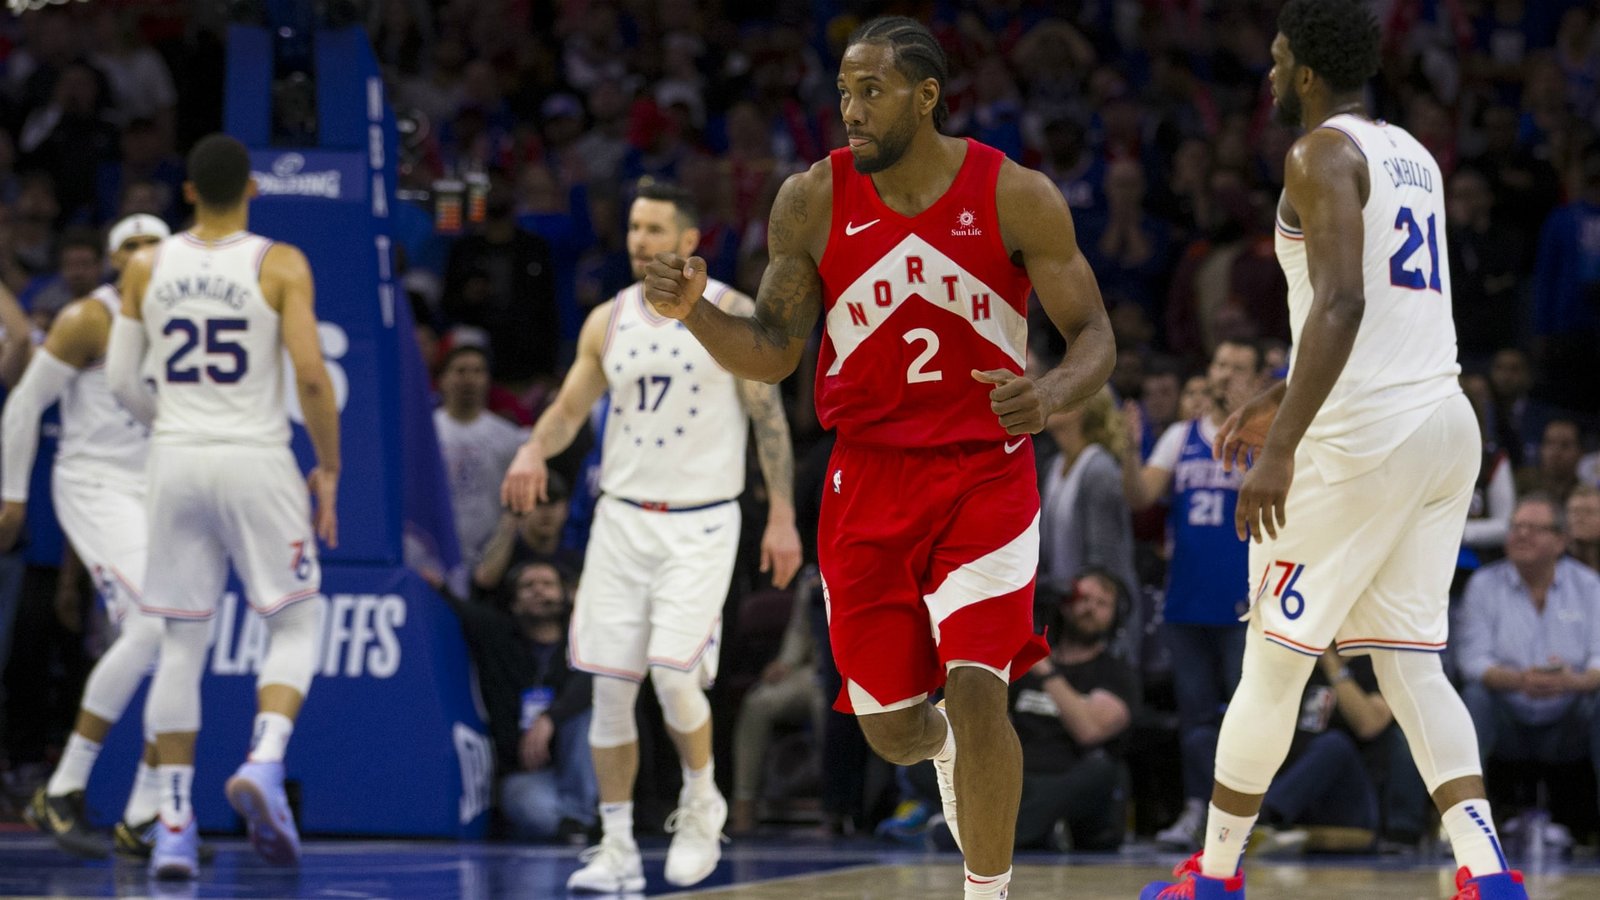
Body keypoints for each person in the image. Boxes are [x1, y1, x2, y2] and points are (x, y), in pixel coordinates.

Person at [638, 17, 1114, 899]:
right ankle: (937, 754)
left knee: (980, 688)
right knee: (895, 728)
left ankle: (988, 889)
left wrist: (1047, 395)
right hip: (866, 477)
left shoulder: (1015, 194)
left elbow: (1094, 335)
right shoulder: (810, 199)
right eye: (845, 91)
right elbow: (777, 350)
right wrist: (697, 314)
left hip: (985, 470)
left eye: (872, 91)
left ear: (926, 97)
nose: (850, 109)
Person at [1142, 3, 1527, 897]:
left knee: (1274, 660)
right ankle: (1487, 872)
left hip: (1366, 440)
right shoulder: (1413, 154)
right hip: (1442, 420)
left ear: (1308, 70)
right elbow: (1386, 313)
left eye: (1277, 59)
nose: (1270, 77)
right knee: (1407, 660)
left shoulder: (1317, 154)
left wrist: (1280, 447)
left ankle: (1216, 875)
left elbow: (1346, 305)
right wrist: (1278, 391)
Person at [500, 179, 802, 892]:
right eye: (634, 228)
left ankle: (702, 803)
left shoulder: (730, 311)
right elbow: (571, 407)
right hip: (621, 520)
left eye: (656, 229)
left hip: (701, 523)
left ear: (689, 242)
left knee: (672, 677)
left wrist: (784, 515)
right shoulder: (607, 320)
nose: (641, 240)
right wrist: (531, 450)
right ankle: (615, 846)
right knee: (609, 689)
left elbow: (769, 419)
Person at [105, 133, 340, 880]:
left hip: (174, 458)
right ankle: (265, 762)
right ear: (254, 190)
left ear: (186, 192)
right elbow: (309, 376)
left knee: (179, 643)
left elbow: (119, 383)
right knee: (298, 619)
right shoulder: (277, 262)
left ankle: (173, 824)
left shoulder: (145, 264)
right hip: (255, 456)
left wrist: (172, 423)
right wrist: (328, 467)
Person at [5, 215, 171, 859]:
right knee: (155, 629)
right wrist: (13, 496)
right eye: (127, 246)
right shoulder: (88, 319)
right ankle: (64, 787)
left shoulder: (189, 319)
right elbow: (23, 406)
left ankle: (147, 812)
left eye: (151, 243)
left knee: (181, 641)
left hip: (162, 488)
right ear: (109, 260)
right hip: (96, 485)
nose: (141, 255)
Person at [1121, 339, 1260, 850]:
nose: (1225, 374)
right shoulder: (1181, 437)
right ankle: (1199, 809)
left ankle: (1246, 817)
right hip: (1187, 602)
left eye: (1238, 367)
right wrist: (1128, 449)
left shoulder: (1264, 441)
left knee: (1249, 716)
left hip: (1246, 605)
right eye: (1220, 363)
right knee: (1196, 719)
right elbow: (1140, 497)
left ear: (1256, 381)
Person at [1457, 495, 1600, 819]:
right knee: (1474, 698)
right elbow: (1472, 661)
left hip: (1570, 718)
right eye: (1516, 527)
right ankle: (1460, 825)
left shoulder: (1590, 587)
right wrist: (1519, 680)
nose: (1522, 535)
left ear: (1560, 540)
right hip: (1506, 716)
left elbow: (1598, 659)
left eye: (1534, 528)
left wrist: (1572, 682)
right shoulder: (1483, 585)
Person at [444, 560, 596, 841]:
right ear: (513, 603)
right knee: (524, 801)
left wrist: (550, 718)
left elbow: (594, 680)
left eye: (548, 584)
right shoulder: (499, 640)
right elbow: (466, 609)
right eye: (528, 586)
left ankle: (577, 818)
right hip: (529, 773)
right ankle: (575, 827)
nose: (539, 591)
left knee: (590, 711)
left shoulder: (583, 642)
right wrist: (439, 587)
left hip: (580, 769)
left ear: (565, 596)